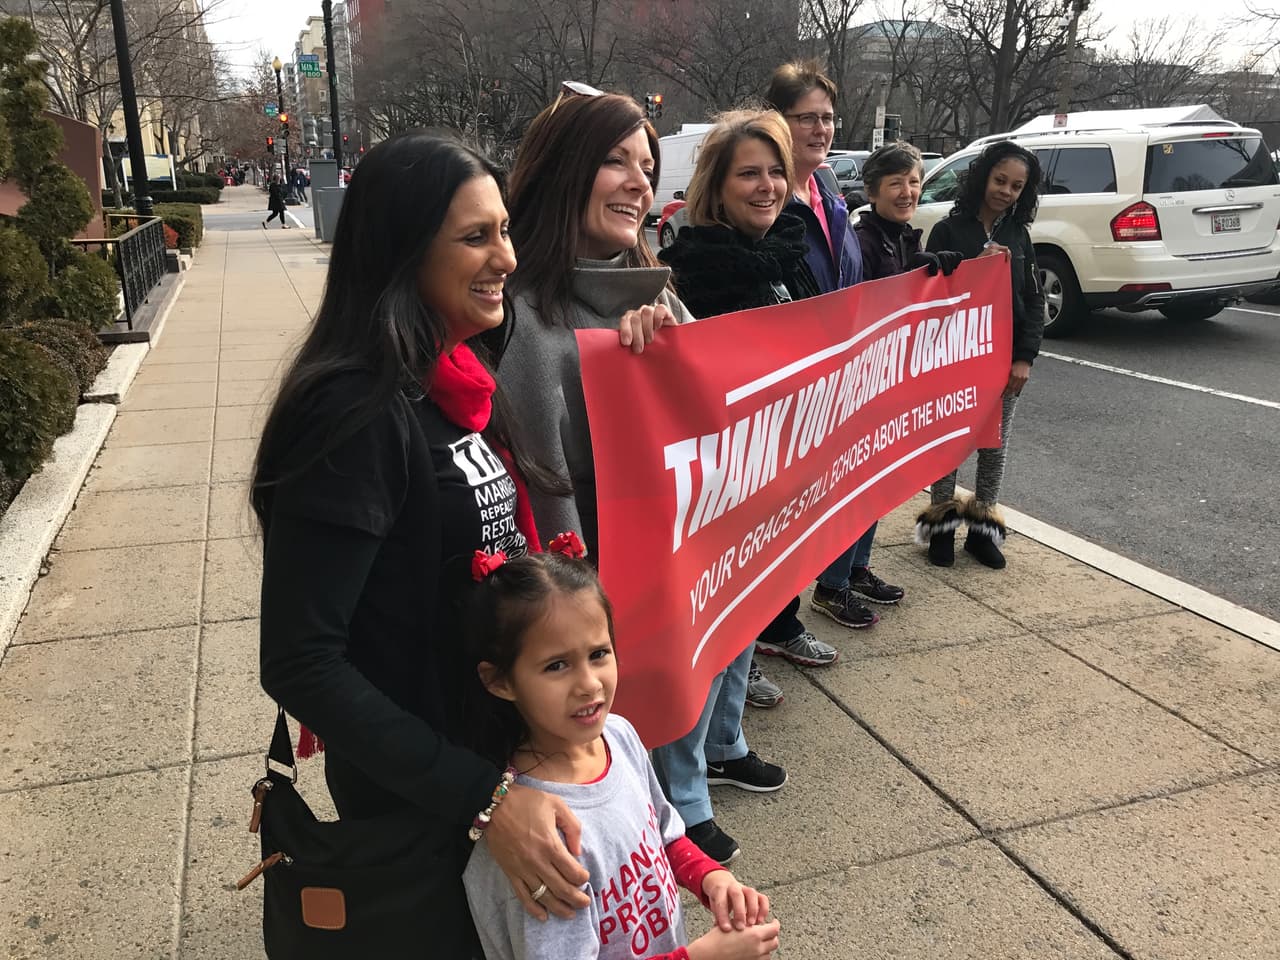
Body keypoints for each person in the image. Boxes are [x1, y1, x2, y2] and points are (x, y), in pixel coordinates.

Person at [250, 131, 596, 954]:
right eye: (476, 237)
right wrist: (483, 800)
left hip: (497, 765)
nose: (506, 258)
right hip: (428, 803)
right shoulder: (352, 413)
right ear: (402, 252)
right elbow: (300, 660)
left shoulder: (457, 381)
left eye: (505, 231)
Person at [462, 542, 782, 960]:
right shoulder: (537, 840)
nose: (589, 683)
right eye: (556, 665)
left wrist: (709, 877)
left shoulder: (619, 735)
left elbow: (664, 835)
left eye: (598, 654)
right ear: (500, 681)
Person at [658, 108, 840, 720]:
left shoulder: (789, 252)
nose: (767, 187)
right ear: (716, 187)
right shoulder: (691, 271)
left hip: (784, 454)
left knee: (769, 575)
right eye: (748, 174)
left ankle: (742, 689)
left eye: (775, 173)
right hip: (725, 473)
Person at [497, 88, 691, 553]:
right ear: (559, 170)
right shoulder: (511, 319)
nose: (640, 185)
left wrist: (682, 360)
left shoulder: (661, 300)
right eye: (614, 161)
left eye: (648, 169)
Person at [764, 60, 906, 636]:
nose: (821, 129)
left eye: (827, 117)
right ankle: (774, 624)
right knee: (782, 505)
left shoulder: (826, 188)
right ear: (777, 121)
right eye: (807, 118)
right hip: (791, 375)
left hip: (840, 371)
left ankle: (834, 580)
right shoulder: (768, 194)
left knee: (843, 484)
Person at [917, 139, 1046, 569]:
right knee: (950, 442)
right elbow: (931, 296)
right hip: (956, 357)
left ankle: (982, 530)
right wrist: (977, 262)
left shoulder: (1019, 235)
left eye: (1016, 186)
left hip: (1004, 359)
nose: (1006, 191)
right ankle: (941, 527)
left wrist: (1024, 358)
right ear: (983, 178)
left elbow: (1034, 300)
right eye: (1000, 180)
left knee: (995, 446)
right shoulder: (948, 230)